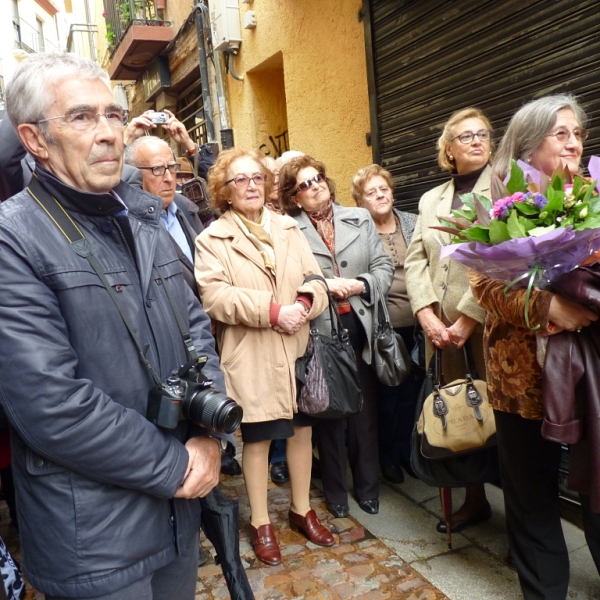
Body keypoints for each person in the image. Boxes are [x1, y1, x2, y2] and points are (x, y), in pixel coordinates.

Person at [0, 52, 227, 599]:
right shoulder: (13, 238)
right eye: (81, 117)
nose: (108, 134)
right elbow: (50, 404)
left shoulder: (146, 217)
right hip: (94, 538)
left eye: (113, 115)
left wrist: (212, 433)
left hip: (178, 517)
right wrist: (177, 463)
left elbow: (198, 331)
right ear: (34, 139)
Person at [470, 93, 600, 599]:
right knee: (531, 497)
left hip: (591, 371)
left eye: (579, 134)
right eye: (561, 133)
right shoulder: (493, 201)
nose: (574, 143)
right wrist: (548, 308)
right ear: (527, 144)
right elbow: (482, 286)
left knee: (597, 488)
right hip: (520, 376)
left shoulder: (593, 196)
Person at [195, 148, 334, 567]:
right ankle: (260, 523)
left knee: (301, 432)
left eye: (257, 177)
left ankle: (300, 509)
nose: (251, 185)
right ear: (224, 190)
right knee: (258, 438)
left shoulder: (288, 227)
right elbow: (215, 297)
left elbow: (315, 277)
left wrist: (307, 302)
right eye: (240, 180)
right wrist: (274, 311)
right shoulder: (211, 238)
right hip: (251, 353)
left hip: (297, 348)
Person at [279, 155, 394, 518]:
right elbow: (287, 280)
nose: (315, 187)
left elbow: (383, 266)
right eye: (305, 185)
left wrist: (361, 285)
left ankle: (368, 488)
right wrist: (325, 286)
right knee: (329, 413)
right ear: (295, 197)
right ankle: (336, 493)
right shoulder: (288, 229)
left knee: (365, 412)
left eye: (318, 179)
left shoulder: (358, 218)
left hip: (360, 326)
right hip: (320, 330)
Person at [404, 107, 494, 533]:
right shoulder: (430, 199)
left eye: (483, 134)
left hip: (489, 325)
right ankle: (473, 500)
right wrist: (424, 312)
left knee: (498, 415)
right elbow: (415, 258)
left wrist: (468, 318)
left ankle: (524, 522)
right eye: (466, 136)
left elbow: (504, 263)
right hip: (440, 329)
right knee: (458, 413)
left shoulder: (508, 189)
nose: (477, 141)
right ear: (448, 150)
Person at [352, 164, 421, 484]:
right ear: (361, 201)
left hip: (421, 324)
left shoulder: (413, 222)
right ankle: (386, 456)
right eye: (371, 192)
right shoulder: (359, 232)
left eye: (384, 189)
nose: (380, 195)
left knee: (413, 394)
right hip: (384, 329)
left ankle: (406, 451)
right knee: (388, 397)